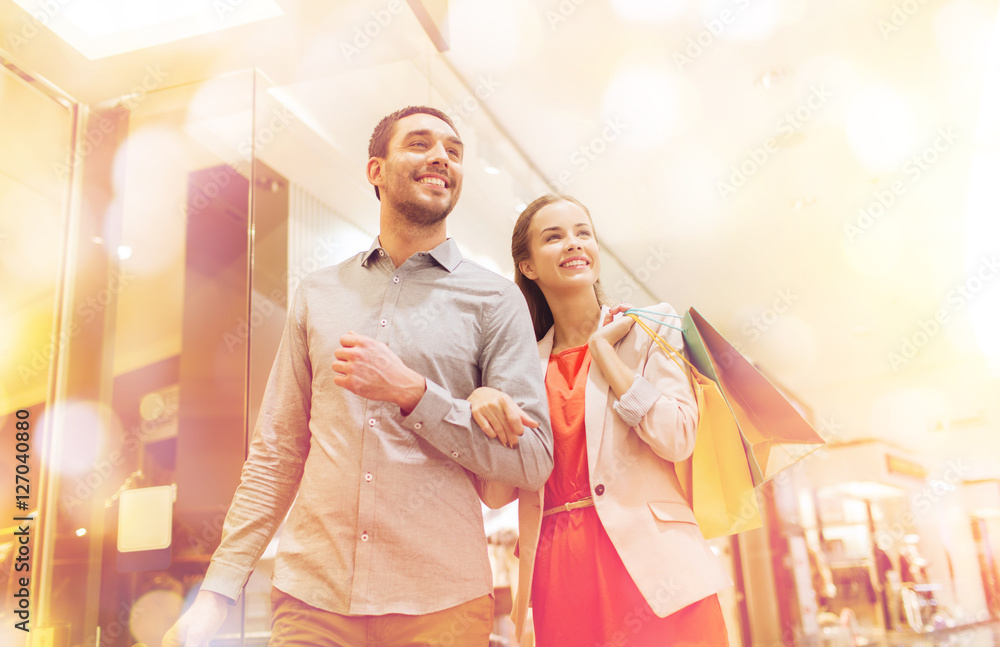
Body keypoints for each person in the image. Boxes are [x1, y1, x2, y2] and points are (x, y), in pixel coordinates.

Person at [163, 106, 554, 647]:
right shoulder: (318, 294)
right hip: (312, 601)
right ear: (376, 170)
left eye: (454, 150)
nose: (441, 156)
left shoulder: (495, 299)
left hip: (440, 604)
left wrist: (417, 396)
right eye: (420, 143)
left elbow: (532, 459)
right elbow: (276, 453)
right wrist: (216, 595)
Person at [470, 195, 732, 645]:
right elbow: (496, 494)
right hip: (560, 570)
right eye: (554, 237)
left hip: (655, 563)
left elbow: (678, 436)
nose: (573, 244)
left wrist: (606, 356)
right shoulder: (519, 366)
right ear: (528, 266)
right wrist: (482, 409)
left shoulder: (650, 327)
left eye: (582, 233)